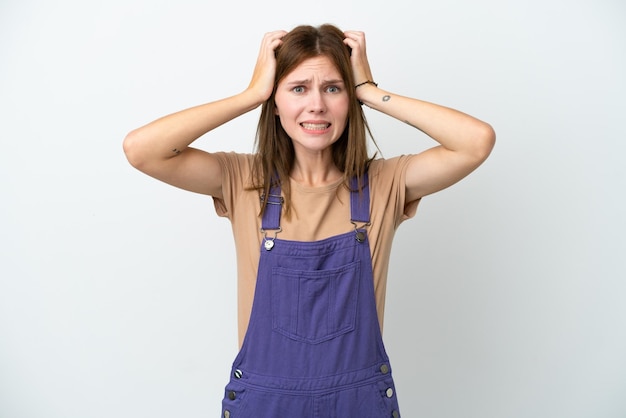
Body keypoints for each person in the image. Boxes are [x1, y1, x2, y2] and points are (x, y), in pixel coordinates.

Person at [123, 23, 495, 418]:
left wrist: (370, 89)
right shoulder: (245, 182)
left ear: (348, 99)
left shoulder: (385, 184)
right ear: (276, 100)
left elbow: (476, 141)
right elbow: (142, 150)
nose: (316, 105)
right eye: (298, 88)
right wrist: (251, 95)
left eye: (333, 88)